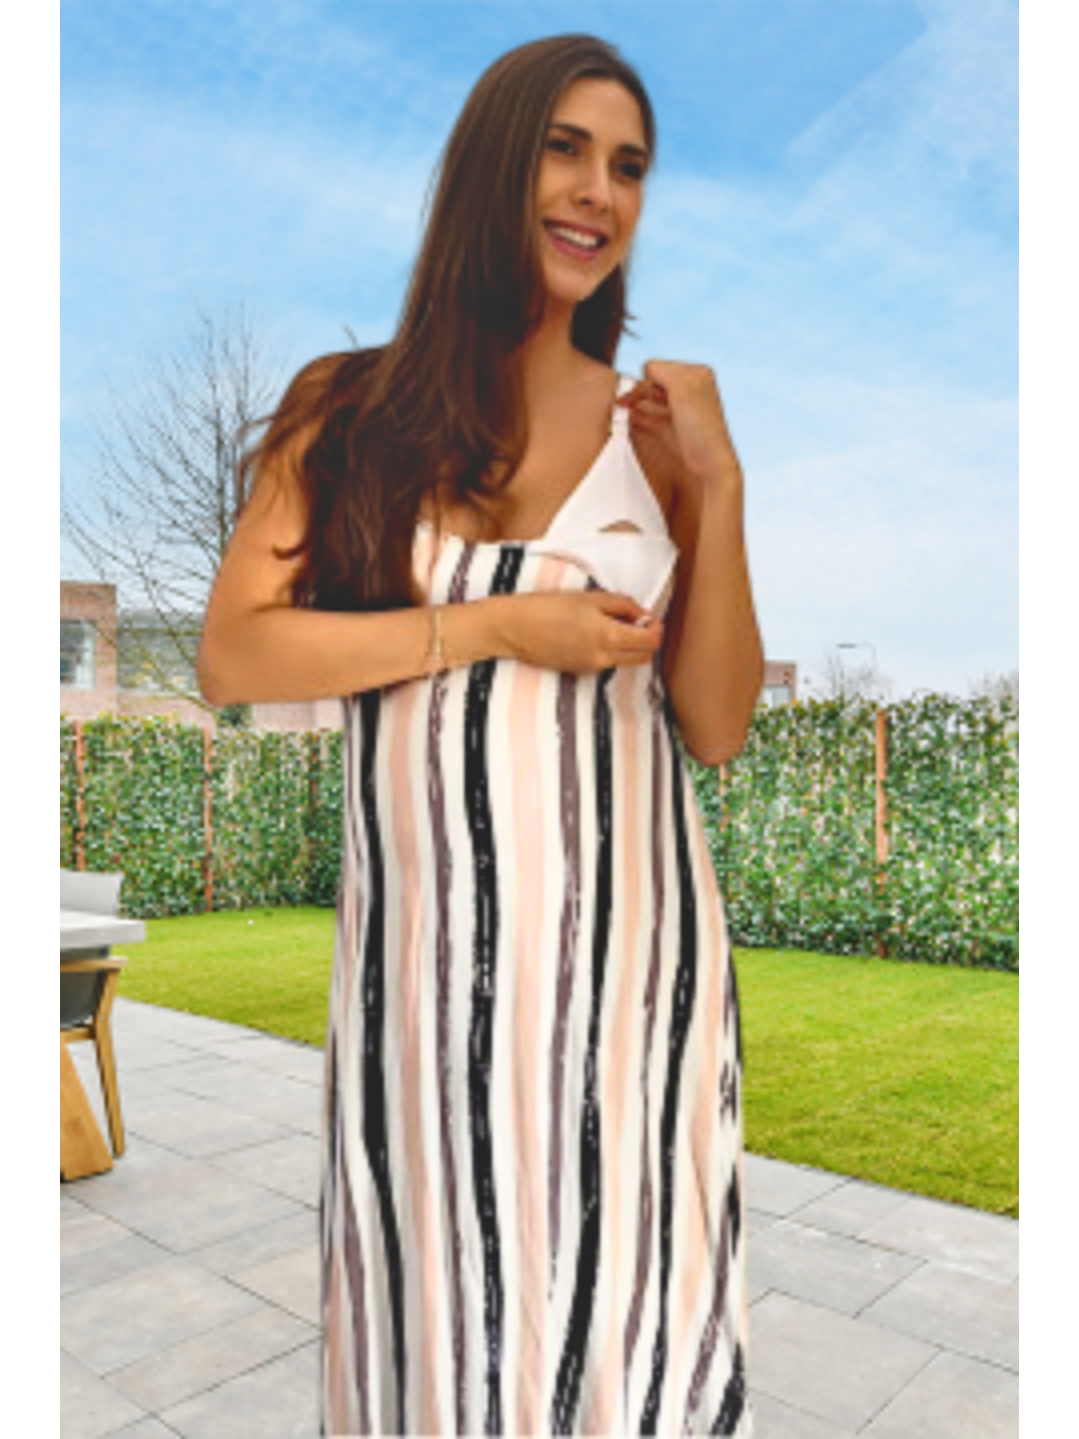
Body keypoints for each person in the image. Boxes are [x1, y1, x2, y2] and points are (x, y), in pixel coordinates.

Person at [199, 34, 763, 1439]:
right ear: (491, 167)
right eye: (565, 150)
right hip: (423, 978)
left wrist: (719, 488)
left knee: (625, 1340)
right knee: (436, 1331)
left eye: (628, 166)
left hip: (629, 978)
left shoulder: (651, 432)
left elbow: (713, 722)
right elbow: (237, 651)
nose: (598, 192)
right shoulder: (349, 408)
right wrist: (502, 625)